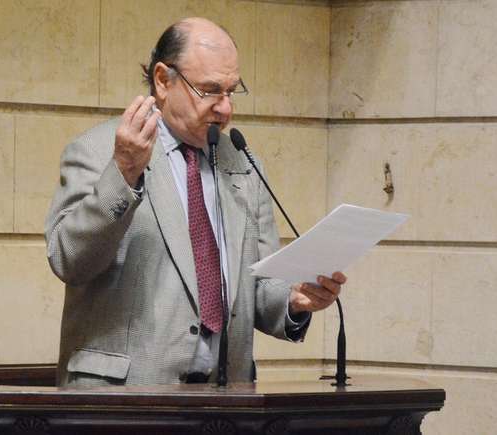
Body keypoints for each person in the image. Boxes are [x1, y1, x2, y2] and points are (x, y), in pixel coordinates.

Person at [45, 17, 346, 387]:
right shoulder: (99, 151)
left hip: (226, 399)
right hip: (123, 398)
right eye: (210, 91)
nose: (225, 109)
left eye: (232, 91)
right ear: (162, 80)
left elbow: (258, 284)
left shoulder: (242, 164)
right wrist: (123, 174)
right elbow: (68, 260)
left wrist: (294, 297)